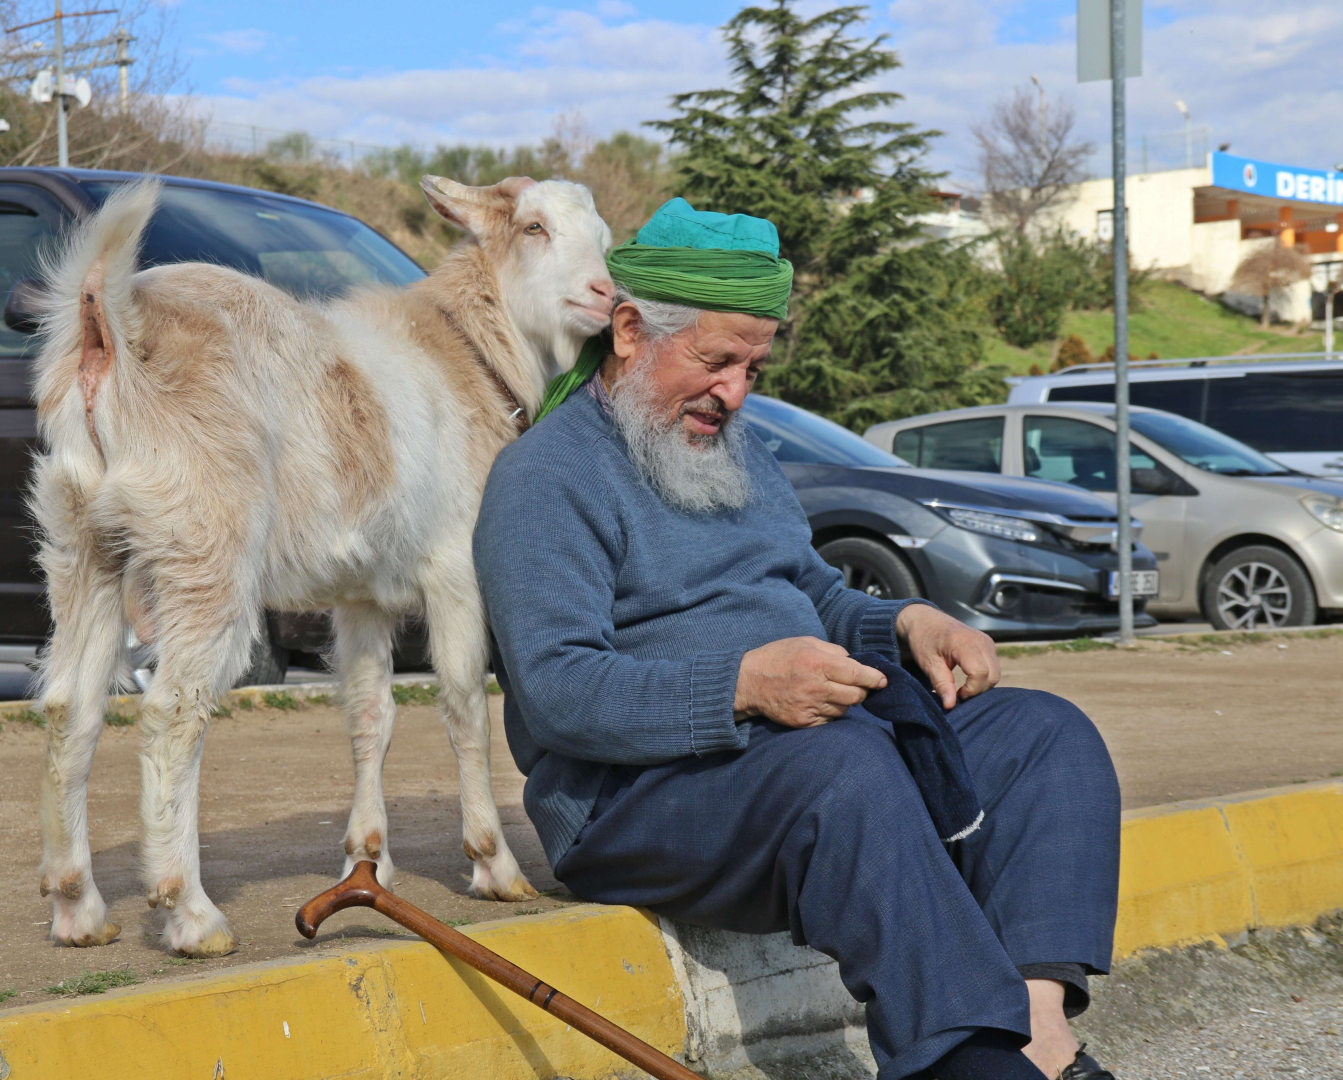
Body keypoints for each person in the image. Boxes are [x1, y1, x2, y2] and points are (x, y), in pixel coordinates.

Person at [473, 198, 1121, 1080]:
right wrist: (743, 686)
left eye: (753, 366)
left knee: (1044, 736)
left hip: (798, 755)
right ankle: (964, 1058)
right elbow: (558, 692)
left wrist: (906, 623)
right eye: (715, 361)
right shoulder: (544, 479)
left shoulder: (741, 456)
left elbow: (812, 599)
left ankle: (1039, 1032)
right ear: (628, 332)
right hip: (631, 800)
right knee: (846, 768)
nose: (735, 393)